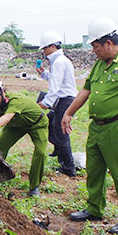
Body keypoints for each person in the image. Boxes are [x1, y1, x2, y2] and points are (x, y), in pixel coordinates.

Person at [61, 17, 118, 233]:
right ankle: (94, 208)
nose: (93, 51)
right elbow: (86, 90)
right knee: (94, 169)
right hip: (98, 126)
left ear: (108, 43)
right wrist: (68, 113)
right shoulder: (100, 64)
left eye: (95, 46)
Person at [0, 77, 48, 197]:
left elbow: (7, 117)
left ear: (1, 92)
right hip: (15, 126)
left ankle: (34, 187)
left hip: (37, 124)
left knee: (41, 152)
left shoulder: (15, 100)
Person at [36, 31, 78, 176]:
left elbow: (55, 86)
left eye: (45, 48)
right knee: (52, 122)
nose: (44, 51)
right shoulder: (59, 60)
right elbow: (55, 78)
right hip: (65, 98)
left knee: (61, 131)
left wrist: (46, 102)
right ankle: (59, 150)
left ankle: (68, 167)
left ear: (52, 46)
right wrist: (43, 73)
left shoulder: (59, 61)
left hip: (65, 99)